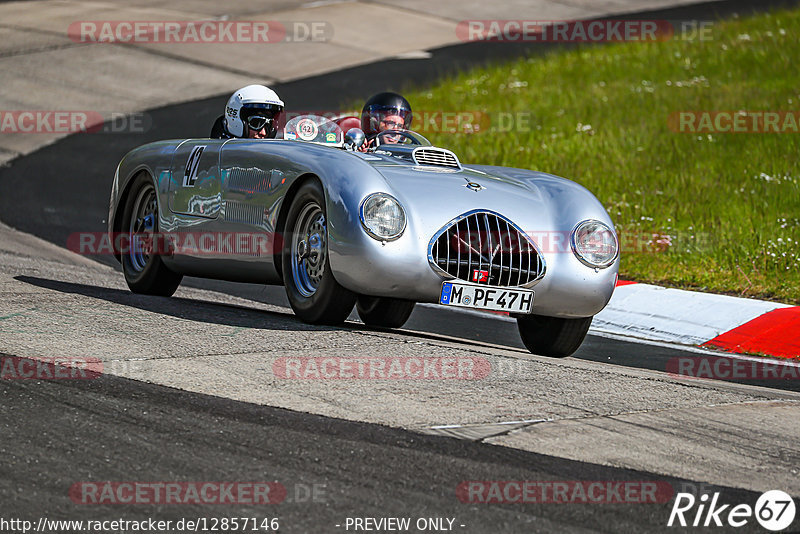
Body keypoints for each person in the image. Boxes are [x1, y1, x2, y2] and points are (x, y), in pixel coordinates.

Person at [210, 85, 284, 139]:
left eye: (269, 125)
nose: (263, 133)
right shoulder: (218, 155)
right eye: (256, 123)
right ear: (237, 121)